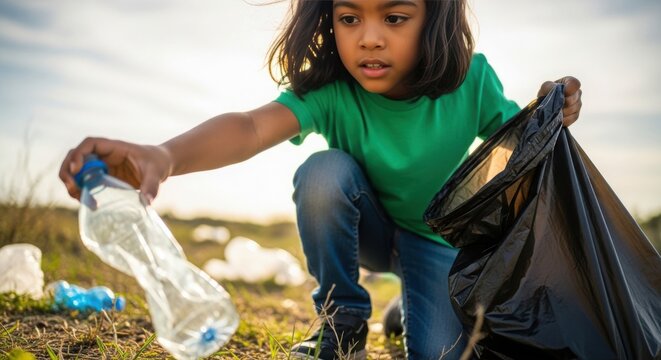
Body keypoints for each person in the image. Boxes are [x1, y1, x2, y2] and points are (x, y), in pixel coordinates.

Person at [60, 0, 583, 359]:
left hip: (438, 244)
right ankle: (344, 322)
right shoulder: (332, 90)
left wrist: (549, 112)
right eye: (349, 17)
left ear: (435, 17)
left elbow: (519, 149)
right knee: (322, 173)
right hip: (369, 230)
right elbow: (248, 128)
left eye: (395, 16)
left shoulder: (472, 78)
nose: (369, 38)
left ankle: (410, 305)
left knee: (441, 353)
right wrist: (164, 155)